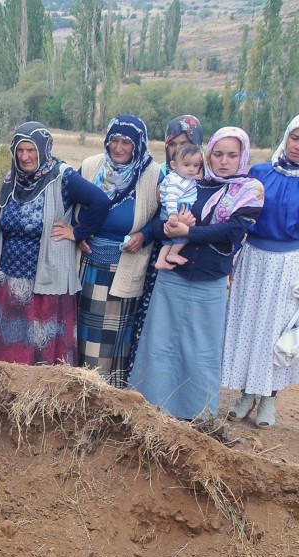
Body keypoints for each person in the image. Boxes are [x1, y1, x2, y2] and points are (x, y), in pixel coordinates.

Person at [130, 127, 264, 421]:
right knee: (160, 343)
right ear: (208, 155)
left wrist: (189, 232)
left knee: (202, 349)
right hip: (174, 277)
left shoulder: (250, 191)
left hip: (210, 280)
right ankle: (151, 407)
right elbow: (166, 218)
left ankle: (197, 415)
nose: (224, 161)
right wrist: (166, 227)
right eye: (217, 154)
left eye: (232, 155)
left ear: (242, 156)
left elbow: (231, 231)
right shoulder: (193, 182)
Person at [0, 122, 109, 366]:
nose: (25, 157)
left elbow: (100, 201)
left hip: (44, 285)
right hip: (9, 283)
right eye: (20, 150)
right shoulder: (12, 179)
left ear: (44, 149)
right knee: (6, 358)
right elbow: (4, 220)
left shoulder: (62, 176)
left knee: (40, 357)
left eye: (31, 150)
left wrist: (77, 232)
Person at [222, 116, 299, 428]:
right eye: (295, 138)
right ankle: (245, 395)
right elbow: (241, 216)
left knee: (276, 332)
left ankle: (269, 398)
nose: (298, 146)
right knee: (249, 327)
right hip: (253, 259)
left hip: (289, 265)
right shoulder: (260, 173)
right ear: (285, 138)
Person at [75, 114, 162, 387]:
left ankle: (107, 396)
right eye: (114, 140)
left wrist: (144, 234)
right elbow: (68, 205)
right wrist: (77, 233)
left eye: (127, 142)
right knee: (84, 333)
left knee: (113, 339)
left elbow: (167, 215)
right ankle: (81, 391)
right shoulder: (91, 167)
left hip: (125, 266)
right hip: (88, 265)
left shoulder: (152, 174)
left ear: (138, 144)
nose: (119, 147)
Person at [127, 115, 206, 381]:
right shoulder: (158, 173)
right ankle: (145, 380)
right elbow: (150, 217)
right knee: (152, 320)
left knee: (182, 326)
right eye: (174, 144)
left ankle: (176, 385)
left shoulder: (205, 179)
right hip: (160, 253)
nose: (178, 149)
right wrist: (152, 232)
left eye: (187, 143)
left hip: (194, 260)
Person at [155, 144, 204, 270]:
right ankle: (173, 253)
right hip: (176, 209)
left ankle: (161, 260)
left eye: (196, 165)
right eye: (186, 165)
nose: (191, 169)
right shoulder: (175, 180)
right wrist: (173, 214)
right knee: (186, 232)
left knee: (168, 240)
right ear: (173, 165)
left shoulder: (184, 178)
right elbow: (171, 196)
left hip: (175, 210)